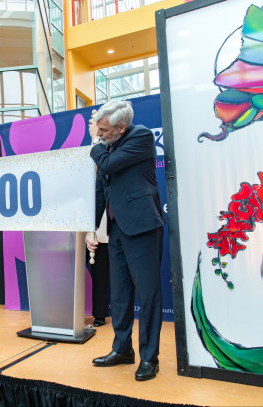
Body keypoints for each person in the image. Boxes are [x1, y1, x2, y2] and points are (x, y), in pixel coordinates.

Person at [86, 100, 165, 381]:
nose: (101, 134)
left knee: (149, 295)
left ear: (121, 127)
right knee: (119, 296)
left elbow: (106, 165)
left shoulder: (140, 137)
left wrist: (93, 140)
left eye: (105, 130)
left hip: (142, 225)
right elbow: (100, 189)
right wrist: (91, 228)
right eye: (99, 130)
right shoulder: (110, 144)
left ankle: (149, 358)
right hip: (117, 228)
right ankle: (122, 349)